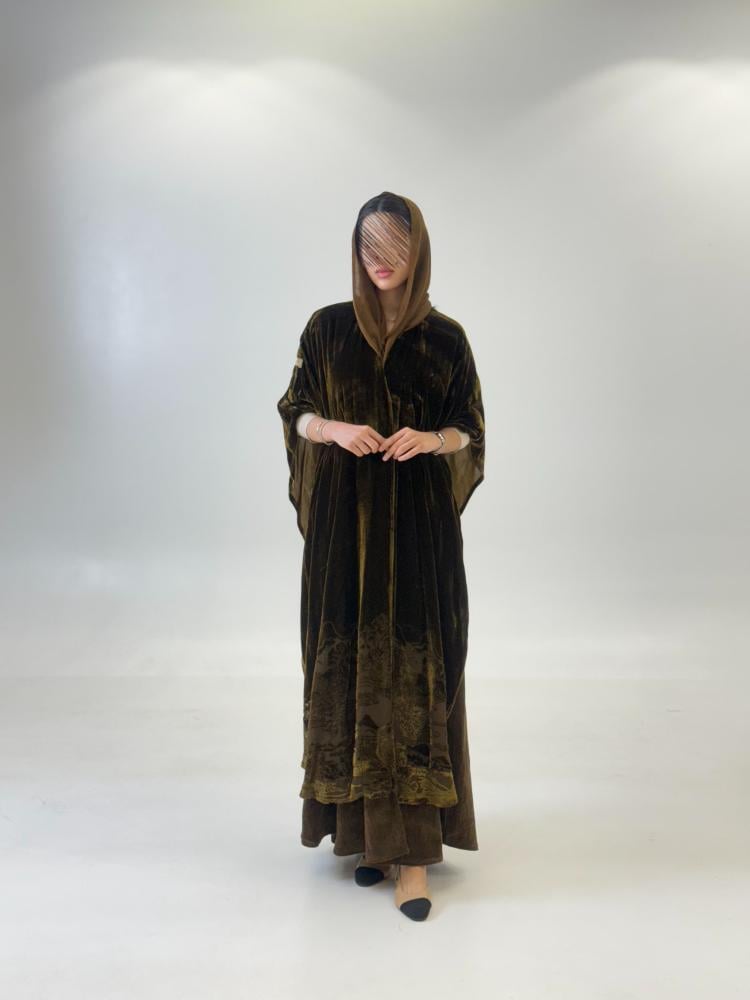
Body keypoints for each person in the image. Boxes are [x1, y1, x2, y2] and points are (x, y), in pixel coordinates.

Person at [277, 191, 485, 921]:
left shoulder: (446, 339)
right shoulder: (327, 329)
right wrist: (331, 428)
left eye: (395, 245)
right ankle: (367, 838)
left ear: (417, 249)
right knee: (345, 671)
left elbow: (470, 427)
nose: (381, 260)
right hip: (344, 536)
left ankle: (413, 860)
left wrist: (431, 440)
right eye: (369, 246)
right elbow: (294, 409)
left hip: (420, 537)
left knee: (417, 675)